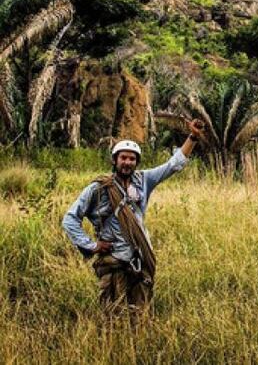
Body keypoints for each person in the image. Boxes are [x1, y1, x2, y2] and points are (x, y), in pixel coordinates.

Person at [62, 119, 205, 319]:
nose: (127, 162)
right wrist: (92, 245)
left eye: (132, 158)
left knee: (140, 312)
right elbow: (69, 219)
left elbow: (173, 165)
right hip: (114, 260)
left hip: (140, 258)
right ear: (115, 160)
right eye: (123, 158)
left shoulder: (144, 180)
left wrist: (193, 137)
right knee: (113, 314)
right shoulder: (98, 189)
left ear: (137, 162)